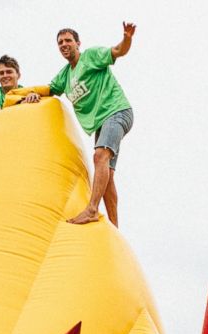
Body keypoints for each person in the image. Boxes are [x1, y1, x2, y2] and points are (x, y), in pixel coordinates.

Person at [27, 24, 136, 227]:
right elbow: (49, 89)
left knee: (99, 156)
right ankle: (115, 227)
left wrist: (127, 38)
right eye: (60, 42)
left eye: (68, 40)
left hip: (117, 112)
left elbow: (118, 51)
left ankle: (92, 209)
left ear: (78, 43)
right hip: (101, 124)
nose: (64, 44)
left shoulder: (91, 56)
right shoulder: (65, 75)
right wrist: (30, 94)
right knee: (108, 175)